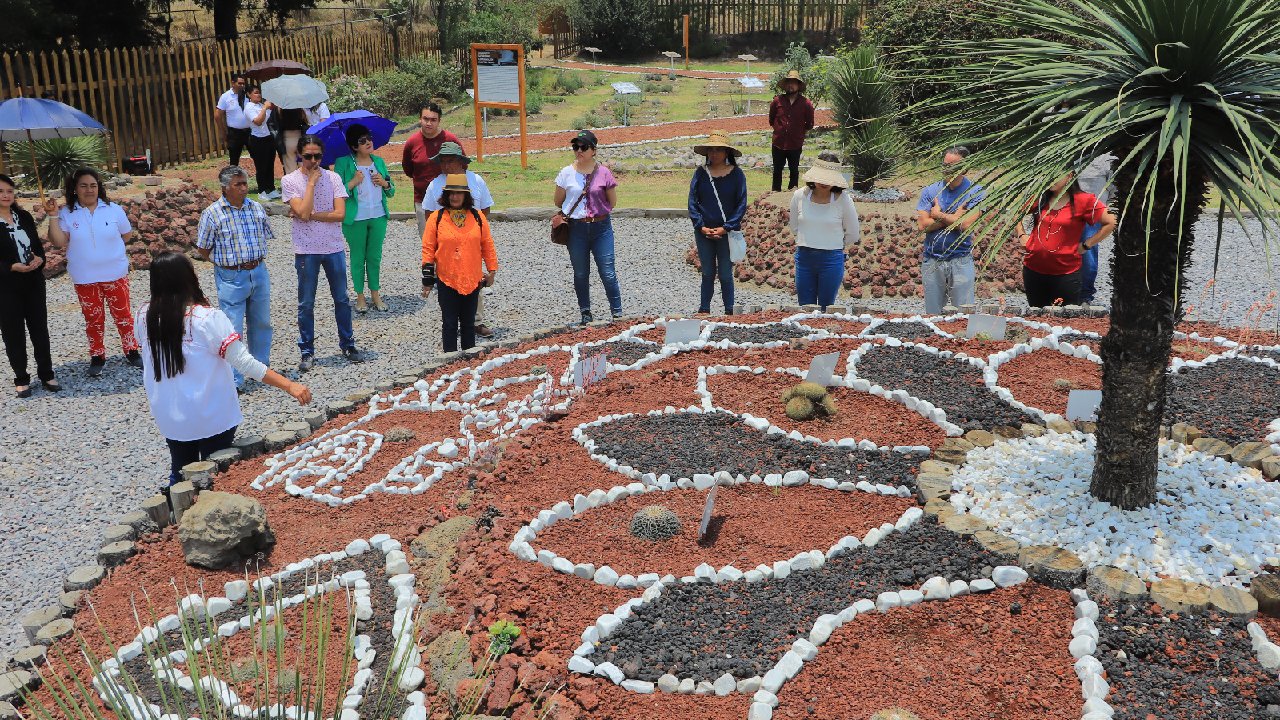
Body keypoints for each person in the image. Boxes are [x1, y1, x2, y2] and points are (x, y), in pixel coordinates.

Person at [137, 252, 310, 490]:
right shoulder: (206, 318)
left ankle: (177, 512)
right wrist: (289, 385)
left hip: (171, 417)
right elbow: (244, 362)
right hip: (211, 415)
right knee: (218, 473)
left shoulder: (143, 316)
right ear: (188, 278)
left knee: (180, 471)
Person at [44, 168, 142, 377]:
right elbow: (59, 242)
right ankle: (97, 355)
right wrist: (52, 216)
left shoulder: (113, 209)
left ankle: (131, 350)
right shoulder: (66, 213)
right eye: (83, 185)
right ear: (74, 189)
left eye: (93, 185)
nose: (89, 190)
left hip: (115, 273)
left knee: (123, 314)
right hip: (85, 277)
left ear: (99, 187)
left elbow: (126, 235)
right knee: (93, 318)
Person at [281, 135, 366, 371]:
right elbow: (301, 209)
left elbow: (339, 214)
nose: (313, 161)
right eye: (308, 156)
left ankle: (348, 344)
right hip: (306, 250)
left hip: (333, 247)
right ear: (300, 155)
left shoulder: (334, 178)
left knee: (341, 299)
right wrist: (310, 184)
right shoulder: (289, 180)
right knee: (306, 303)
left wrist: (309, 214)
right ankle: (307, 350)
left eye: (317, 156)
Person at [196, 166, 274, 392]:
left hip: (258, 270)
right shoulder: (212, 213)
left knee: (261, 322)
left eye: (244, 183)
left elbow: (266, 235)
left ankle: (261, 370)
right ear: (225, 187)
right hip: (231, 275)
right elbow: (203, 248)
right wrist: (225, 266)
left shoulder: (256, 208)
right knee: (232, 328)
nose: (243, 188)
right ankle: (235, 379)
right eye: (237, 184)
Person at [421, 141, 496, 337]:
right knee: (448, 286)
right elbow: (429, 213)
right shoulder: (435, 184)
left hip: (470, 242)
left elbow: (485, 208)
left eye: (450, 161)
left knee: (474, 284)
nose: (446, 165)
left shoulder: (477, 181)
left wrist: (471, 231)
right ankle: (451, 326)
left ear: (462, 162)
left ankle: (475, 322)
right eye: (442, 161)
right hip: (447, 245)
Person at [1018, 172, 1117, 307]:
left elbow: (1111, 222)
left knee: (1063, 322)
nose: (1051, 179)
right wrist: (1021, 235)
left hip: (1066, 274)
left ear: (1070, 176)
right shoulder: (1041, 198)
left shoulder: (1083, 200)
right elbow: (1015, 213)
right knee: (1037, 320)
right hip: (1033, 271)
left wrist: (1087, 245)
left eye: (1056, 175)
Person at [554, 130, 622, 324]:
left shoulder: (604, 172)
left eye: (584, 146)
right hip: (576, 228)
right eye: (576, 146)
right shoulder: (566, 172)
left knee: (608, 271)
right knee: (581, 272)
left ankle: (617, 313)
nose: (579, 150)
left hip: (601, 227)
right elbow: (558, 201)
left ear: (594, 150)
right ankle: (585, 311)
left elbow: (612, 202)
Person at [0, 174, 59, 397]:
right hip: (6, 286)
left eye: (9, 190)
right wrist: (10, 267)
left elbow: (37, 246)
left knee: (39, 329)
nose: (6, 195)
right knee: (13, 332)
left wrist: (39, 259)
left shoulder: (23, 216)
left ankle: (46, 373)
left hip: (33, 281)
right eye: (0, 191)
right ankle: (21, 377)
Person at [916, 146, 986, 314]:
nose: (946, 170)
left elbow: (967, 225)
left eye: (953, 166)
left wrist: (939, 215)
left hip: (961, 260)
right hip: (932, 260)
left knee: (964, 315)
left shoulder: (976, 192)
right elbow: (923, 226)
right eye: (944, 165)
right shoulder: (930, 191)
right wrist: (954, 218)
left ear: (965, 168)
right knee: (933, 316)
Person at [334, 124, 395, 314]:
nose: (368, 142)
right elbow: (336, 193)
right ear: (354, 146)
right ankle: (360, 296)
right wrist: (352, 182)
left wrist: (384, 183)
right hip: (355, 218)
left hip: (378, 216)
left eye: (369, 138)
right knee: (358, 257)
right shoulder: (343, 163)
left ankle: (375, 294)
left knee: (374, 257)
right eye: (362, 140)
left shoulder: (379, 161)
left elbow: (391, 191)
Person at [687, 132, 748, 315]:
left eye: (719, 150)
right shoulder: (700, 173)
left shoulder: (737, 175)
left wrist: (726, 227)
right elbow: (692, 202)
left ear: (726, 152)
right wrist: (701, 226)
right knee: (707, 272)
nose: (714, 154)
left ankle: (729, 310)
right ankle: (704, 309)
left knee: (725, 273)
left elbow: (741, 204)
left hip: (726, 232)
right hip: (704, 231)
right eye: (711, 150)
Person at [789, 158, 860, 311]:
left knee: (827, 308)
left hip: (831, 259)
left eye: (829, 178)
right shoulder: (799, 196)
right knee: (805, 308)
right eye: (821, 177)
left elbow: (853, 233)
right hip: (804, 257)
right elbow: (794, 226)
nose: (824, 182)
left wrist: (833, 243)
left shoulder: (844, 200)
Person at [403, 103, 462, 239]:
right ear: (420, 119)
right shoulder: (412, 142)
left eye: (433, 120)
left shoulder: (450, 140)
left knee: (452, 240)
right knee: (428, 241)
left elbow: (462, 166)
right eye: (426, 119)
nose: (429, 123)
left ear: (439, 121)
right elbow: (408, 169)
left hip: (451, 200)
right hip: (422, 200)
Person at [1075, 153, 1116, 304]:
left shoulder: (1106, 159)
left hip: (1093, 215)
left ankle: (1085, 295)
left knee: (1088, 253)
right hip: (1067, 212)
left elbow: (1115, 189)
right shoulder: (1069, 154)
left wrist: (1107, 213)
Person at [768, 70, 815, 193]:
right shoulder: (777, 101)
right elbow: (771, 120)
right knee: (777, 170)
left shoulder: (806, 103)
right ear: (785, 85)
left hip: (795, 143)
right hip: (778, 142)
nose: (791, 85)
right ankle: (775, 194)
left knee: (794, 170)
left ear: (799, 86)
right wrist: (780, 130)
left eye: (794, 83)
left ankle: (792, 194)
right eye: (789, 82)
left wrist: (798, 132)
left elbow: (810, 124)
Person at [243, 86, 279, 201]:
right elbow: (258, 122)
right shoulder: (249, 107)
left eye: (259, 93)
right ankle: (262, 190)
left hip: (267, 137)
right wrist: (264, 108)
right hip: (257, 139)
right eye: (256, 93)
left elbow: (270, 112)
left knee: (269, 164)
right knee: (261, 166)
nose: (258, 95)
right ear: (249, 95)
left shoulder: (259, 105)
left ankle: (271, 188)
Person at [214, 72, 251, 168]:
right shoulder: (226, 96)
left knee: (258, 157)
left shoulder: (248, 95)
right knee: (234, 161)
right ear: (233, 83)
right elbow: (218, 115)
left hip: (250, 131)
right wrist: (224, 132)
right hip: (234, 133)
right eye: (239, 83)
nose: (242, 86)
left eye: (243, 83)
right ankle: (234, 181)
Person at [278, 107, 309, 176]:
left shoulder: (282, 109)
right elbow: (306, 122)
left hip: (287, 138)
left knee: (290, 166)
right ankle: (305, 184)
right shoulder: (299, 108)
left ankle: (292, 185)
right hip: (300, 138)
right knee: (303, 164)